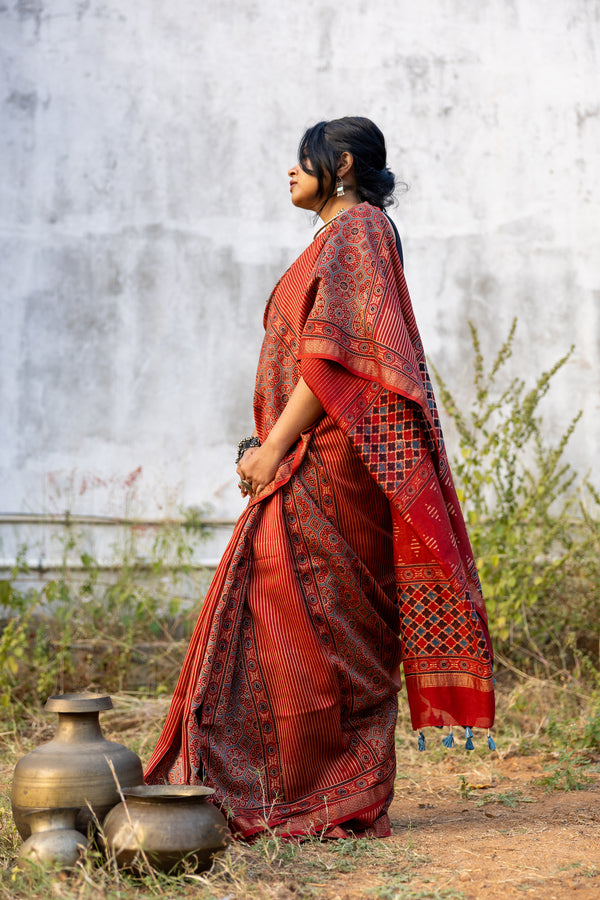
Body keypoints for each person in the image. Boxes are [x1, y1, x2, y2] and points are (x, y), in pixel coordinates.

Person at [144, 116, 495, 839]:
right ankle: (285, 777)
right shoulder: (339, 236)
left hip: (329, 458)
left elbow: (333, 356)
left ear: (339, 163)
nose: (290, 173)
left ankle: (324, 785)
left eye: (301, 161)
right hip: (315, 451)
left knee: (300, 607)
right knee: (292, 612)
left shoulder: (359, 229)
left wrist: (273, 447)